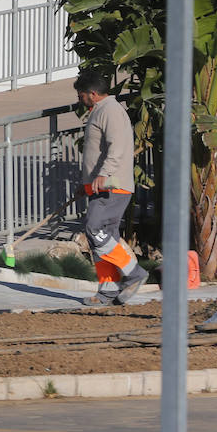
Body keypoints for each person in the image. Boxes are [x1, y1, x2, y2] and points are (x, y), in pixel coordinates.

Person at [74, 71, 149, 306]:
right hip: (101, 186)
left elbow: (117, 147)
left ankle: (134, 272)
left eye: (81, 95)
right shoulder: (101, 110)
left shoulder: (111, 111)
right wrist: (85, 185)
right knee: (103, 240)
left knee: (94, 229)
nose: (80, 99)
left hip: (112, 186)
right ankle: (107, 291)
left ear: (92, 94)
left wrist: (104, 174)